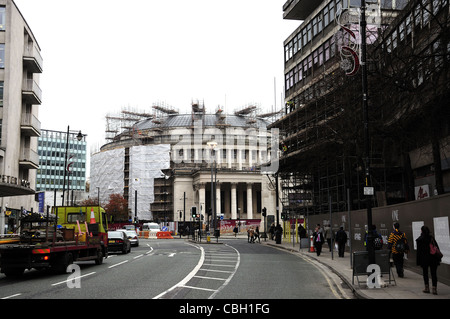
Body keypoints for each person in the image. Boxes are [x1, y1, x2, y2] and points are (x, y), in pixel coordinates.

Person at [416, 226, 441, 295]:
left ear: (421, 231)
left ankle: (427, 288)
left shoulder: (420, 239)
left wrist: (418, 261)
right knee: (434, 273)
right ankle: (434, 289)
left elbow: (419, 252)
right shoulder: (431, 238)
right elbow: (436, 247)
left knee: (425, 273)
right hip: (433, 258)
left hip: (424, 259)